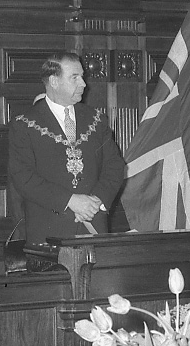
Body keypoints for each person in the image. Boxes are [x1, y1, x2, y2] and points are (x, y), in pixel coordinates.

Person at [8, 52, 124, 244]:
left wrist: (95, 202)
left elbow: (115, 166)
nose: (84, 84)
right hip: (48, 236)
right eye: (75, 77)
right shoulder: (24, 124)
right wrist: (71, 201)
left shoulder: (97, 119)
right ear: (54, 81)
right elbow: (23, 177)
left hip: (93, 229)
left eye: (82, 76)